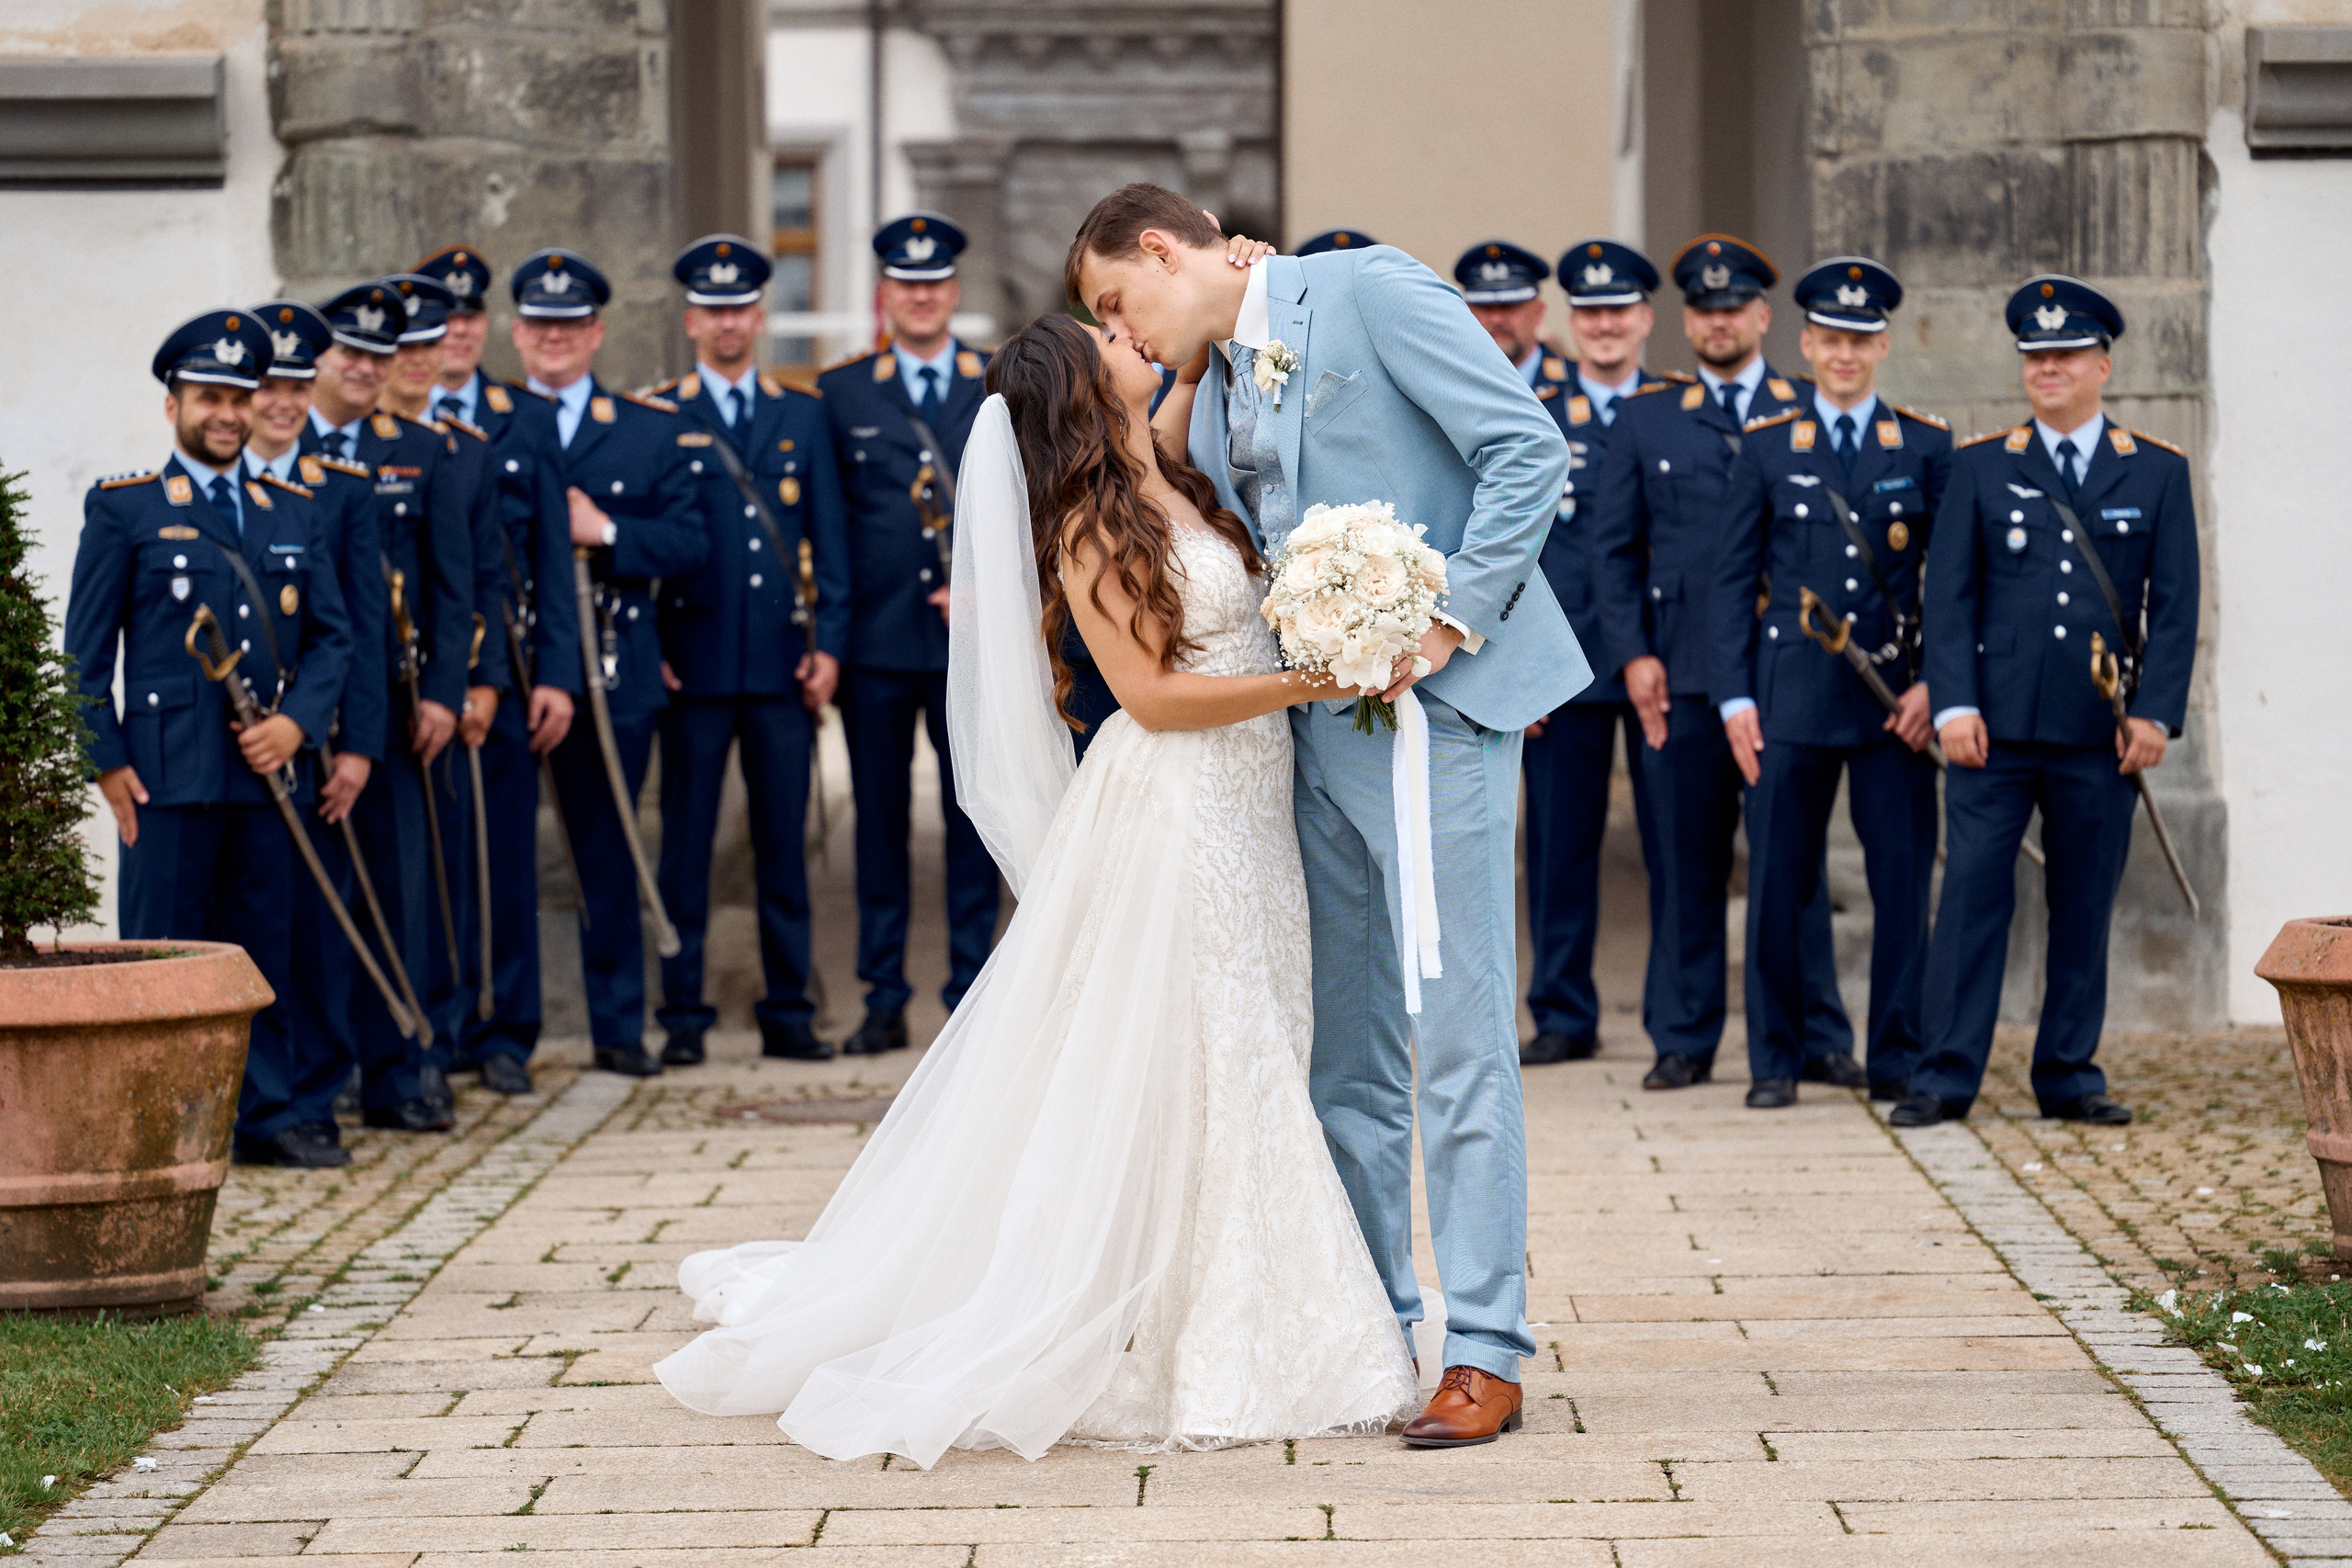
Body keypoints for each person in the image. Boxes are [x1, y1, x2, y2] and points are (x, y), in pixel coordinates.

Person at [655, 291, 1421, 1465]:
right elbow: (1157, 700)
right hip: (1177, 805)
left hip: (1247, 801)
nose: (1133, 341)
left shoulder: (1165, 469)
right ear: (1079, 382)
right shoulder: (1088, 522)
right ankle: (1220, 1336)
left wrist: (1248, 283)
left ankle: (1248, 1306)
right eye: (1109, 338)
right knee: (1222, 1052)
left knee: (1256, 1027)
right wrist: (1313, 681)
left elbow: (1206, 371)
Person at [1074, 184, 1590, 1447]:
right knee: (1344, 1052)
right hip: (1314, 739)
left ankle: (1486, 1346)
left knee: (1459, 1032)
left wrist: (1450, 614)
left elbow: (1526, 447)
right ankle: (1371, 1319)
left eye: (1112, 302)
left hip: (1440, 724)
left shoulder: (1370, 291)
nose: (1120, 332)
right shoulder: (1226, 376)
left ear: (1158, 249)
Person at [1894, 276, 2199, 1130]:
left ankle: (2068, 1072)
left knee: (2082, 900)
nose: (2048, 368)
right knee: (1971, 899)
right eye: (2035, 356)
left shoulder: (2159, 471)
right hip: (1992, 728)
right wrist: (1952, 705)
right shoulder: (1982, 466)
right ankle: (1945, 1074)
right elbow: (1946, 597)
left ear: (2103, 364)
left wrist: (2155, 712)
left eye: (2065, 356)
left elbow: (2175, 610)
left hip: (2097, 729)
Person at [65, 309, 353, 1167]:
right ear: (174, 406)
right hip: (164, 778)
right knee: (161, 962)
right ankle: (156, 1128)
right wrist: (107, 763)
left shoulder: (291, 509)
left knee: (263, 953)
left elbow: (336, 637)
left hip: (268, 780)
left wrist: (297, 724)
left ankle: (265, 1118)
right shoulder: (127, 510)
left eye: (239, 395)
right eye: (208, 397)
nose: (227, 412)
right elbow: (84, 656)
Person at [1587, 233, 1858, 1092]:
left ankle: (1817, 1031)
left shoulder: (1811, 406)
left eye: (1732, 307)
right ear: (1687, 321)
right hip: (1683, 673)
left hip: (1791, 675)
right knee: (1684, 859)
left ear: (1762, 317)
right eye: (1703, 310)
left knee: (1796, 861)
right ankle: (1684, 1034)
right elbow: (1613, 552)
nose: (1717, 320)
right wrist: (1632, 657)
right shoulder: (1647, 418)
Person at [1710, 258, 1951, 1109]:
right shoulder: (1770, 445)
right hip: (1791, 698)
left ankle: (1896, 1057)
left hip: (1895, 705)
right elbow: (1732, 581)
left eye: (1861, 339)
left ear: (1882, 344)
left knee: (1900, 883)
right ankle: (1775, 1060)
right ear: (1806, 343)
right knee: (1779, 882)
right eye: (1829, 339)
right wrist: (1735, 697)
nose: (1844, 354)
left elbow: (1950, 586)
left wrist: (1940, 689)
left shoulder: (1923, 445)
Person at [646, 235, 849, 1065]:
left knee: (783, 849)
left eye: (740, 308)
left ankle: (790, 1010)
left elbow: (830, 546)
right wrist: (653, 645)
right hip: (690, 665)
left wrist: (828, 645)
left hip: (780, 666)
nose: (727, 322)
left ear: (759, 317)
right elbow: (652, 547)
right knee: (685, 849)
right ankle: (685, 1018)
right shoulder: (659, 415)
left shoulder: (800, 415)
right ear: (692, 319)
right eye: (712, 309)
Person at [511, 248, 709, 1077]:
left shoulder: (647, 431)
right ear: (516, 334)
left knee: (611, 850)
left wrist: (609, 533)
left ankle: (618, 1025)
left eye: (569, 326)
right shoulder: (488, 424)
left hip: (611, 668)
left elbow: (691, 542)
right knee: (498, 857)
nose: (553, 339)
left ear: (595, 333)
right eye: (538, 325)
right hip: (509, 672)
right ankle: (501, 1036)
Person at [817, 214, 999, 1057]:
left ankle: (973, 989)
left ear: (953, 292)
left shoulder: (994, 381)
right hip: (877, 648)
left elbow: (1025, 509)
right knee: (880, 826)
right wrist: (831, 637)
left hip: (973, 644)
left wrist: (987, 592)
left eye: (934, 285)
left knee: (975, 817)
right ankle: (882, 995)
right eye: (905, 286)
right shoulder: (844, 391)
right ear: (885, 295)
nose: (921, 298)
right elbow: (830, 525)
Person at [302, 281, 474, 1132]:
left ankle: (404, 1068)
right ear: (320, 357)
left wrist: (446, 690)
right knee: (312, 898)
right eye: (352, 354)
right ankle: (318, 1066)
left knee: (400, 897)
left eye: (380, 355)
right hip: (304, 711)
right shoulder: (278, 443)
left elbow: (453, 579)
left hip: (399, 711)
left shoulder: (418, 447)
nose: (367, 369)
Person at [413, 243, 581, 1095]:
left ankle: (509, 1030)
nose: (457, 330)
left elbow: (553, 555)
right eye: (442, 316)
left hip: (509, 672)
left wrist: (556, 674)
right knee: (436, 860)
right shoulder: (400, 426)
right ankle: (437, 1024)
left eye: (470, 315)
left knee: (508, 856)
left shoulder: (524, 418)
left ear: (487, 326)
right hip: (425, 681)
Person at [1510, 238, 1659, 1066]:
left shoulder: (1675, 407)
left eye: (1619, 312)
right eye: (1590, 314)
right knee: (1559, 851)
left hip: (1655, 662)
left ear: (1643, 320)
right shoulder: (1530, 408)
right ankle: (1563, 1011)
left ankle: (1679, 1018)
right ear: (1571, 321)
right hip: (1558, 668)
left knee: (1676, 847)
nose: (1604, 327)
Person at [245, 299, 386, 1159]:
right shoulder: (207, 486)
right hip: (233, 745)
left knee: (318, 929)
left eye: (298, 382)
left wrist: (360, 745)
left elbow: (361, 629)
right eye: (269, 383)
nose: (284, 400)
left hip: (320, 745)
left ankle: (316, 1095)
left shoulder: (339, 490)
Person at [382, 271, 513, 1072]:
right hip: (365, 697)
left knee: (444, 872)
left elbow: (480, 582)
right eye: (407, 345)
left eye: (434, 343)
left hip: (442, 694)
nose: (423, 358)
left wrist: (476, 681)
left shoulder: (462, 451)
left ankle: (445, 1035)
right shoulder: (339, 452)